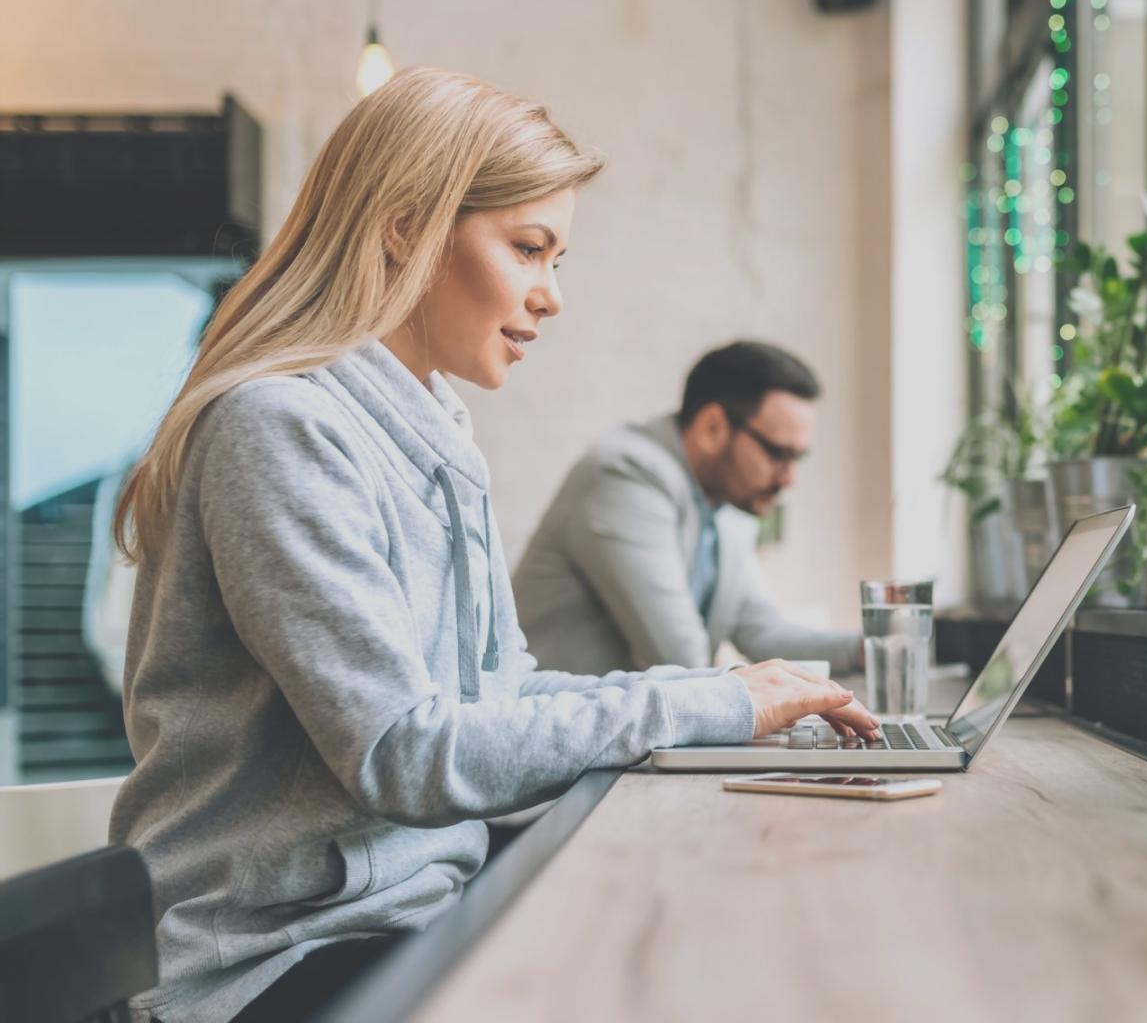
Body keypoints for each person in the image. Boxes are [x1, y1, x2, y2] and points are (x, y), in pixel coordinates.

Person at [107, 68, 877, 1023]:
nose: (550, 296)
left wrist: (726, 699)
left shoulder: (436, 426)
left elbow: (501, 693)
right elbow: (402, 751)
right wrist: (709, 702)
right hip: (275, 961)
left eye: (557, 260)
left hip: (412, 912)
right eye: (528, 249)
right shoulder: (278, 426)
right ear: (405, 227)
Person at [514, 341, 863, 677]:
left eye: (797, 458)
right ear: (713, 428)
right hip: (555, 728)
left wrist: (877, 647)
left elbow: (763, 634)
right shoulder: (626, 476)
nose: (789, 479)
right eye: (777, 455)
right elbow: (677, 660)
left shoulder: (727, 504)